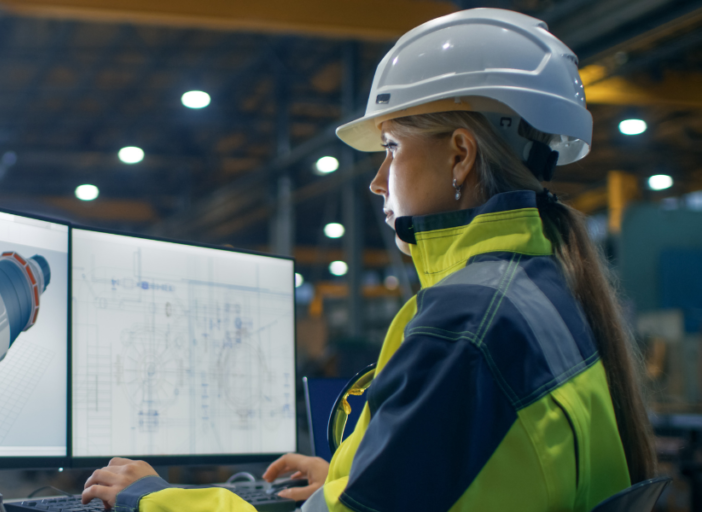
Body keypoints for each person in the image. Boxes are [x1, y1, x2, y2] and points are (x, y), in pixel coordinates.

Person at [80, 8, 657, 511]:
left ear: (460, 154)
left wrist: (152, 498)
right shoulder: (544, 288)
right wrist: (349, 478)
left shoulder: (467, 322)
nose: (379, 182)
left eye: (391, 148)